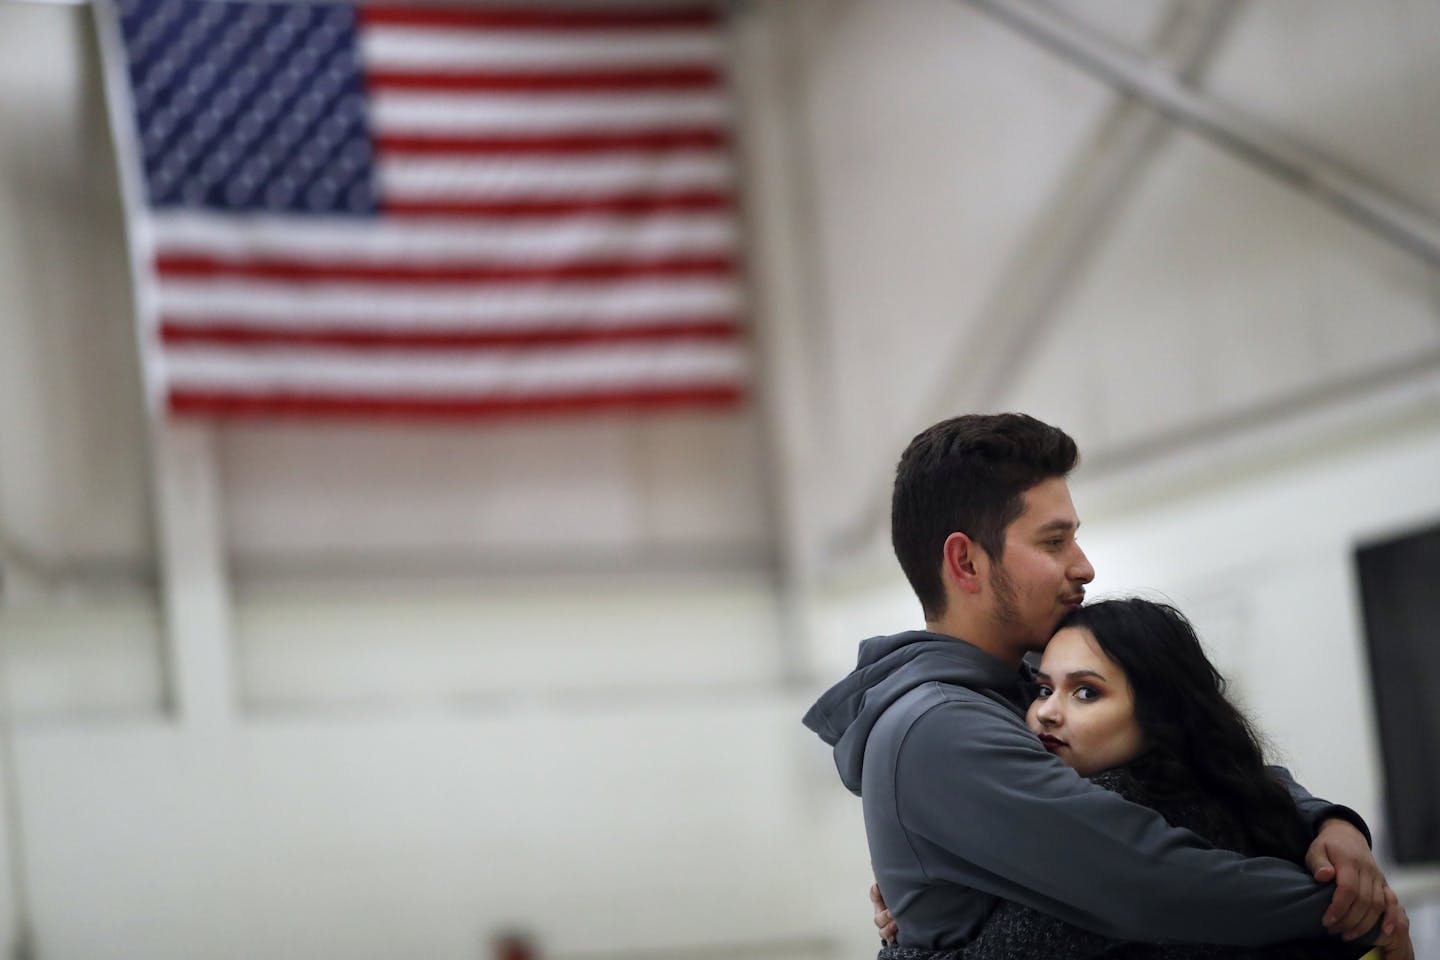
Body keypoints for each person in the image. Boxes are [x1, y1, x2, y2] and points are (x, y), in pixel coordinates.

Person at [802, 413, 1407, 956]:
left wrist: (1328, 824)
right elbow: (1147, 878)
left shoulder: (1019, 692)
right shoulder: (937, 727)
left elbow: (1198, 752)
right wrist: (1347, 910)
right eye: (1054, 540)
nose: (1083, 565)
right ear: (966, 563)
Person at [870, 597, 1411, 959]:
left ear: (1161, 714)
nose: (1047, 713)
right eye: (1042, 689)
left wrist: (915, 933)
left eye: (1086, 692)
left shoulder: (1141, 823)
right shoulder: (1220, 794)